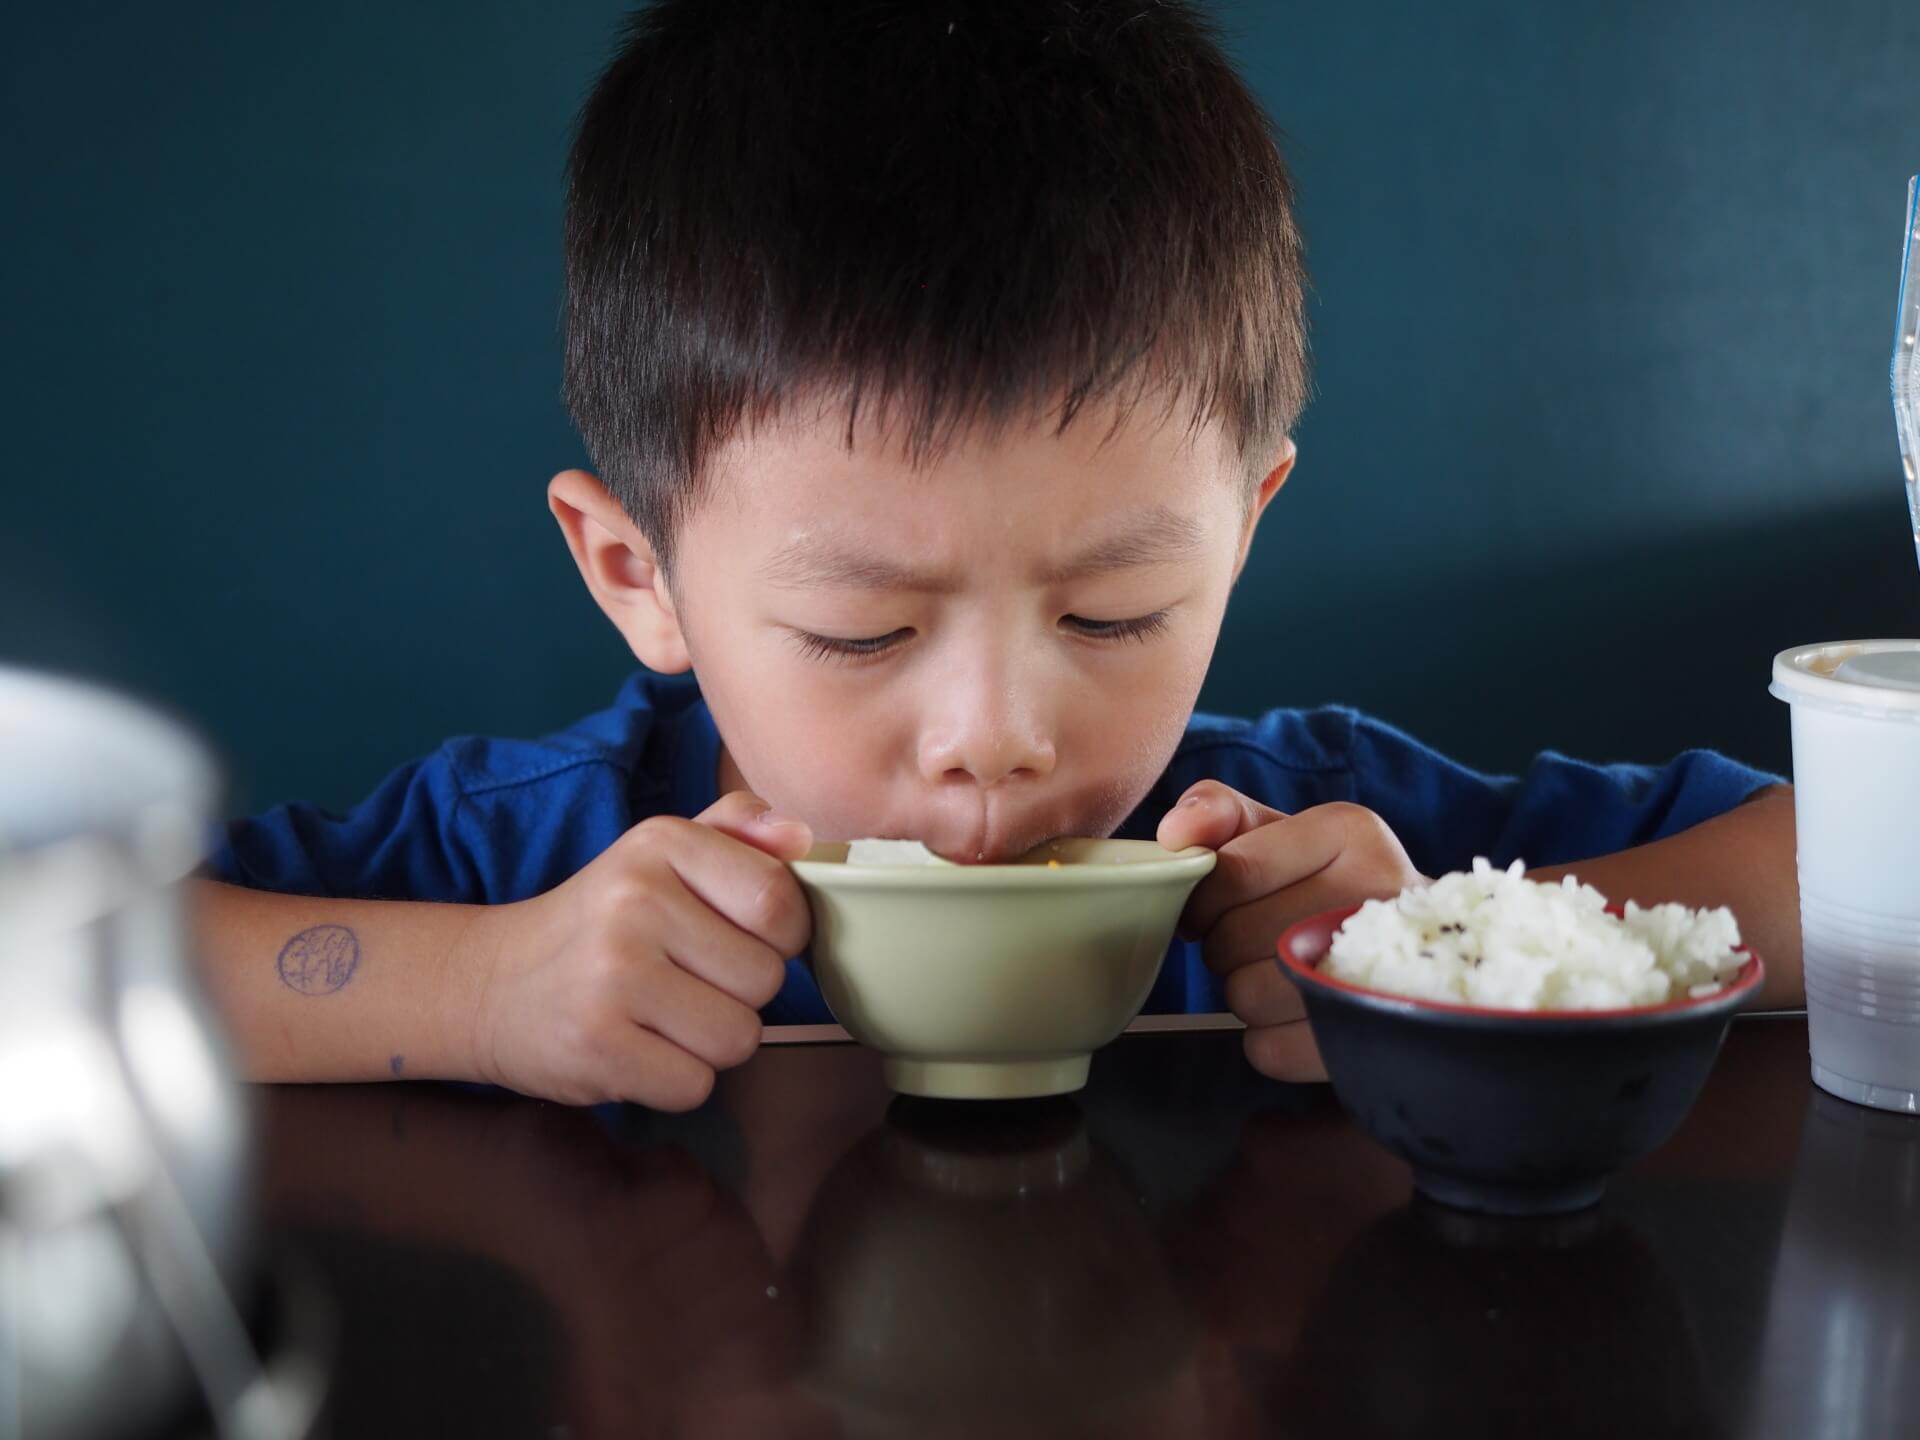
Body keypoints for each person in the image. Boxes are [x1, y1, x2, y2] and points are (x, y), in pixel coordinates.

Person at [197, 0, 1800, 1109]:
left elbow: (1854, 866)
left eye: (1114, 613)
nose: (997, 739)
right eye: (860, 632)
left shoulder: (1292, 841)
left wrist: (1433, 949)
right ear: (640, 576)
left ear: (1241, 534)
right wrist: (478, 994)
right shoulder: (539, 858)